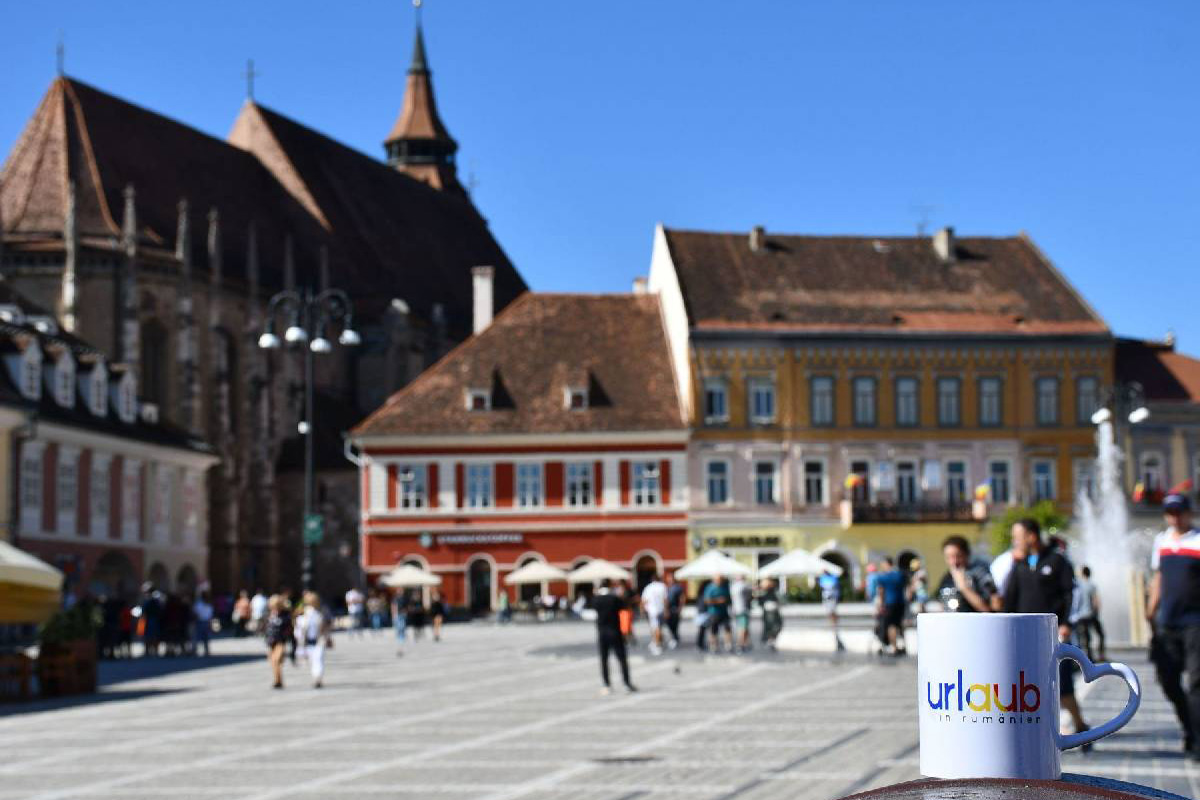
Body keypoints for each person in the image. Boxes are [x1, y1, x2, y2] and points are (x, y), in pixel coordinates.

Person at [1003, 517, 1091, 748]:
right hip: (1023, 635)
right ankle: (1041, 731)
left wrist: (1066, 623)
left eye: (1017, 537)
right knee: (1028, 684)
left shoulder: (1057, 561)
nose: (1014, 541)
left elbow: (1071, 594)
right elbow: (1008, 599)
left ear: (1031, 536)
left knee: (1061, 684)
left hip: (1052, 633)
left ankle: (1081, 725)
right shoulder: (1018, 564)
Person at [1146, 493, 1200, 757]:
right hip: (1168, 622)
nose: (1175, 517)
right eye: (1170, 512)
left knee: (1197, 682)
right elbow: (1159, 577)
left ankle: (1198, 739)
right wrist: (1150, 609)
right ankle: (1189, 726)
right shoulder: (1162, 541)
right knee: (1167, 680)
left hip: (1195, 623)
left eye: (1179, 511)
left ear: (1189, 512)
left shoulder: (1199, 540)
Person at [591, 579, 636, 694]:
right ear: (610, 586)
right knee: (622, 659)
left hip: (602, 633)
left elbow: (592, 607)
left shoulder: (597, 599)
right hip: (615, 631)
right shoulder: (614, 598)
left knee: (604, 660)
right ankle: (626, 683)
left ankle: (606, 685)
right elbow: (625, 607)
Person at [937, 535, 1000, 613]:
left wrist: (964, 588)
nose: (954, 562)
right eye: (949, 557)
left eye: (958, 556)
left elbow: (992, 611)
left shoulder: (980, 574)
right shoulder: (947, 578)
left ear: (967, 554)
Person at [873, 557, 908, 656]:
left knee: (891, 625)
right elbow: (907, 587)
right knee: (899, 624)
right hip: (900, 603)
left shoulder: (883, 577)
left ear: (886, 564)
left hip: (889, 603)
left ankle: (894, 647)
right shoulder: (900, 575)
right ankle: (904, 645)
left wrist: (880, 604)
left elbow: (881, 591)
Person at [297, 591, 331, 688]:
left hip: (319, 640)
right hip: (308, 640)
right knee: (313, 660)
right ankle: (316, 677)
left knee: (318, 659)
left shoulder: (321, 612)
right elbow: (299, 625)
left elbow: (326, 625)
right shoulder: (304, 612)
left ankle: (318, 679)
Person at [1071, 566, 1105, 662]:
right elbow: (1095, 601)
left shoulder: (1078, 585)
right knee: (1100, 634)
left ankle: (1088, 657)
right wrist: (1097, 612)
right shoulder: (1091, 585)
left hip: (1080, 616)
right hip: (1090, 615)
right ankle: (1101, 654)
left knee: (1085, 638)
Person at [264, 595, 291, 689]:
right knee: (273, 662)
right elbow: (267, 628)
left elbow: (289, 628)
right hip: (271, 641)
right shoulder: (270, 614)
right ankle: (278, 680)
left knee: (276, 660)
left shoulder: (285, 615)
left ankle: (278, 680)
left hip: (280, 641)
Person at [702, 575, 733, 653]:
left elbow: (728, 598)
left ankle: (728, 645)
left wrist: (727, 602)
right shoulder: (710, 588)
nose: (720, 581)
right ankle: (713, 645)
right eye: (718, 580)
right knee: (714, 630)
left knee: (728, 628)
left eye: (721, 579)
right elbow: (706, 600)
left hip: (724, 612)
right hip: (714, 612)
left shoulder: (725, 587)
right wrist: (718, 601)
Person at [640, 573, 669, 655]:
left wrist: (642, 610)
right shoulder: (662, 586)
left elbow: (644, 600)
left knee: (654, 627)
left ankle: (657, 644)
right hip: (660, 609)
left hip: (651, 610)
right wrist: (666, 610)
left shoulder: (648, 587)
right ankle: (657, 642)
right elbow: (665, 599)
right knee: (659, 627)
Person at [818, 570, 845, 651]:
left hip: (831, 598)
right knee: (831, 612)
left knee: (832, 612)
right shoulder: (826, 578)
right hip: (829, 598)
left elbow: (832, 587)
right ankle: (833, 622)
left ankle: (834, 622)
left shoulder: (830, 579)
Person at [758, 578, 784, 649]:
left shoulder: (773, 591)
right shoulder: (763, 592)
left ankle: (770, 639)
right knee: (770, 626)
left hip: (774, 611)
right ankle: (770, 640)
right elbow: (760, 602)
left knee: (777, 626)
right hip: (768, 612)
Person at [730, 574, 752, 654]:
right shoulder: (744, 585)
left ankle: (745, 643)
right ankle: (740, 645)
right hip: (743, 610)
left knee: (740, 627)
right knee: (743, 628)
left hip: (735, 610)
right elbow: (751, 593)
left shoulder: (733, 587)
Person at [663, 572, 684, 649]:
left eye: (671, 578)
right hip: (668, 609)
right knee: (669, 624)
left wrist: (680, 609)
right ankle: (675, 637)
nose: (669, 579)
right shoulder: (666, 587)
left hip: (675, 609)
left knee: (675, 625)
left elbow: (682, 598)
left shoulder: (678, 587)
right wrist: (665, 610)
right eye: (668, 578)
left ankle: (675, 638)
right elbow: (665, 600)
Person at [192, 591, 214, 657]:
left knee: (197, 637)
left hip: (200, 621)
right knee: (206, 637)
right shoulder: (209, 604)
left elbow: (195, 612)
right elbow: (210, 615)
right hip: (206, 621)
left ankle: (195, 650)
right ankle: (206, 651)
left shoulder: (198, 604)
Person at [391, 591, 409, 656]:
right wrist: (394, 615)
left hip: (401, 615)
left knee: (401, 629)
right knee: (400, 629)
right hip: (398, 615)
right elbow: (394, 608)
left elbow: (405, 608)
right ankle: (400, 640)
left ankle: (401, 640)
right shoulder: (396, 600)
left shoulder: (403, 599)